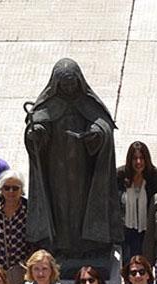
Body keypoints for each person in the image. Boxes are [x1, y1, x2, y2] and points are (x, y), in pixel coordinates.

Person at [24, 58, 121, 260]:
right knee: (59, 206)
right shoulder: (49, 105)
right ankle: (61, 246)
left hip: (82, 168)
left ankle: (85, 245)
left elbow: (102, 124)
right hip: (56, 168)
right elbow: (41, 126)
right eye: (64, 84)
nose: (69, 88)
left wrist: (96, 133)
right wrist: (37, 132)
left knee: (81, 205)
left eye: (72, 83)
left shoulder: (87, 102)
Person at [117, 141, 157, 261]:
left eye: (142, 158)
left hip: (148, 233)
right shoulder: (119, 176)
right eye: (135, 158)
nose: (138, 162)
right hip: (126, 233)